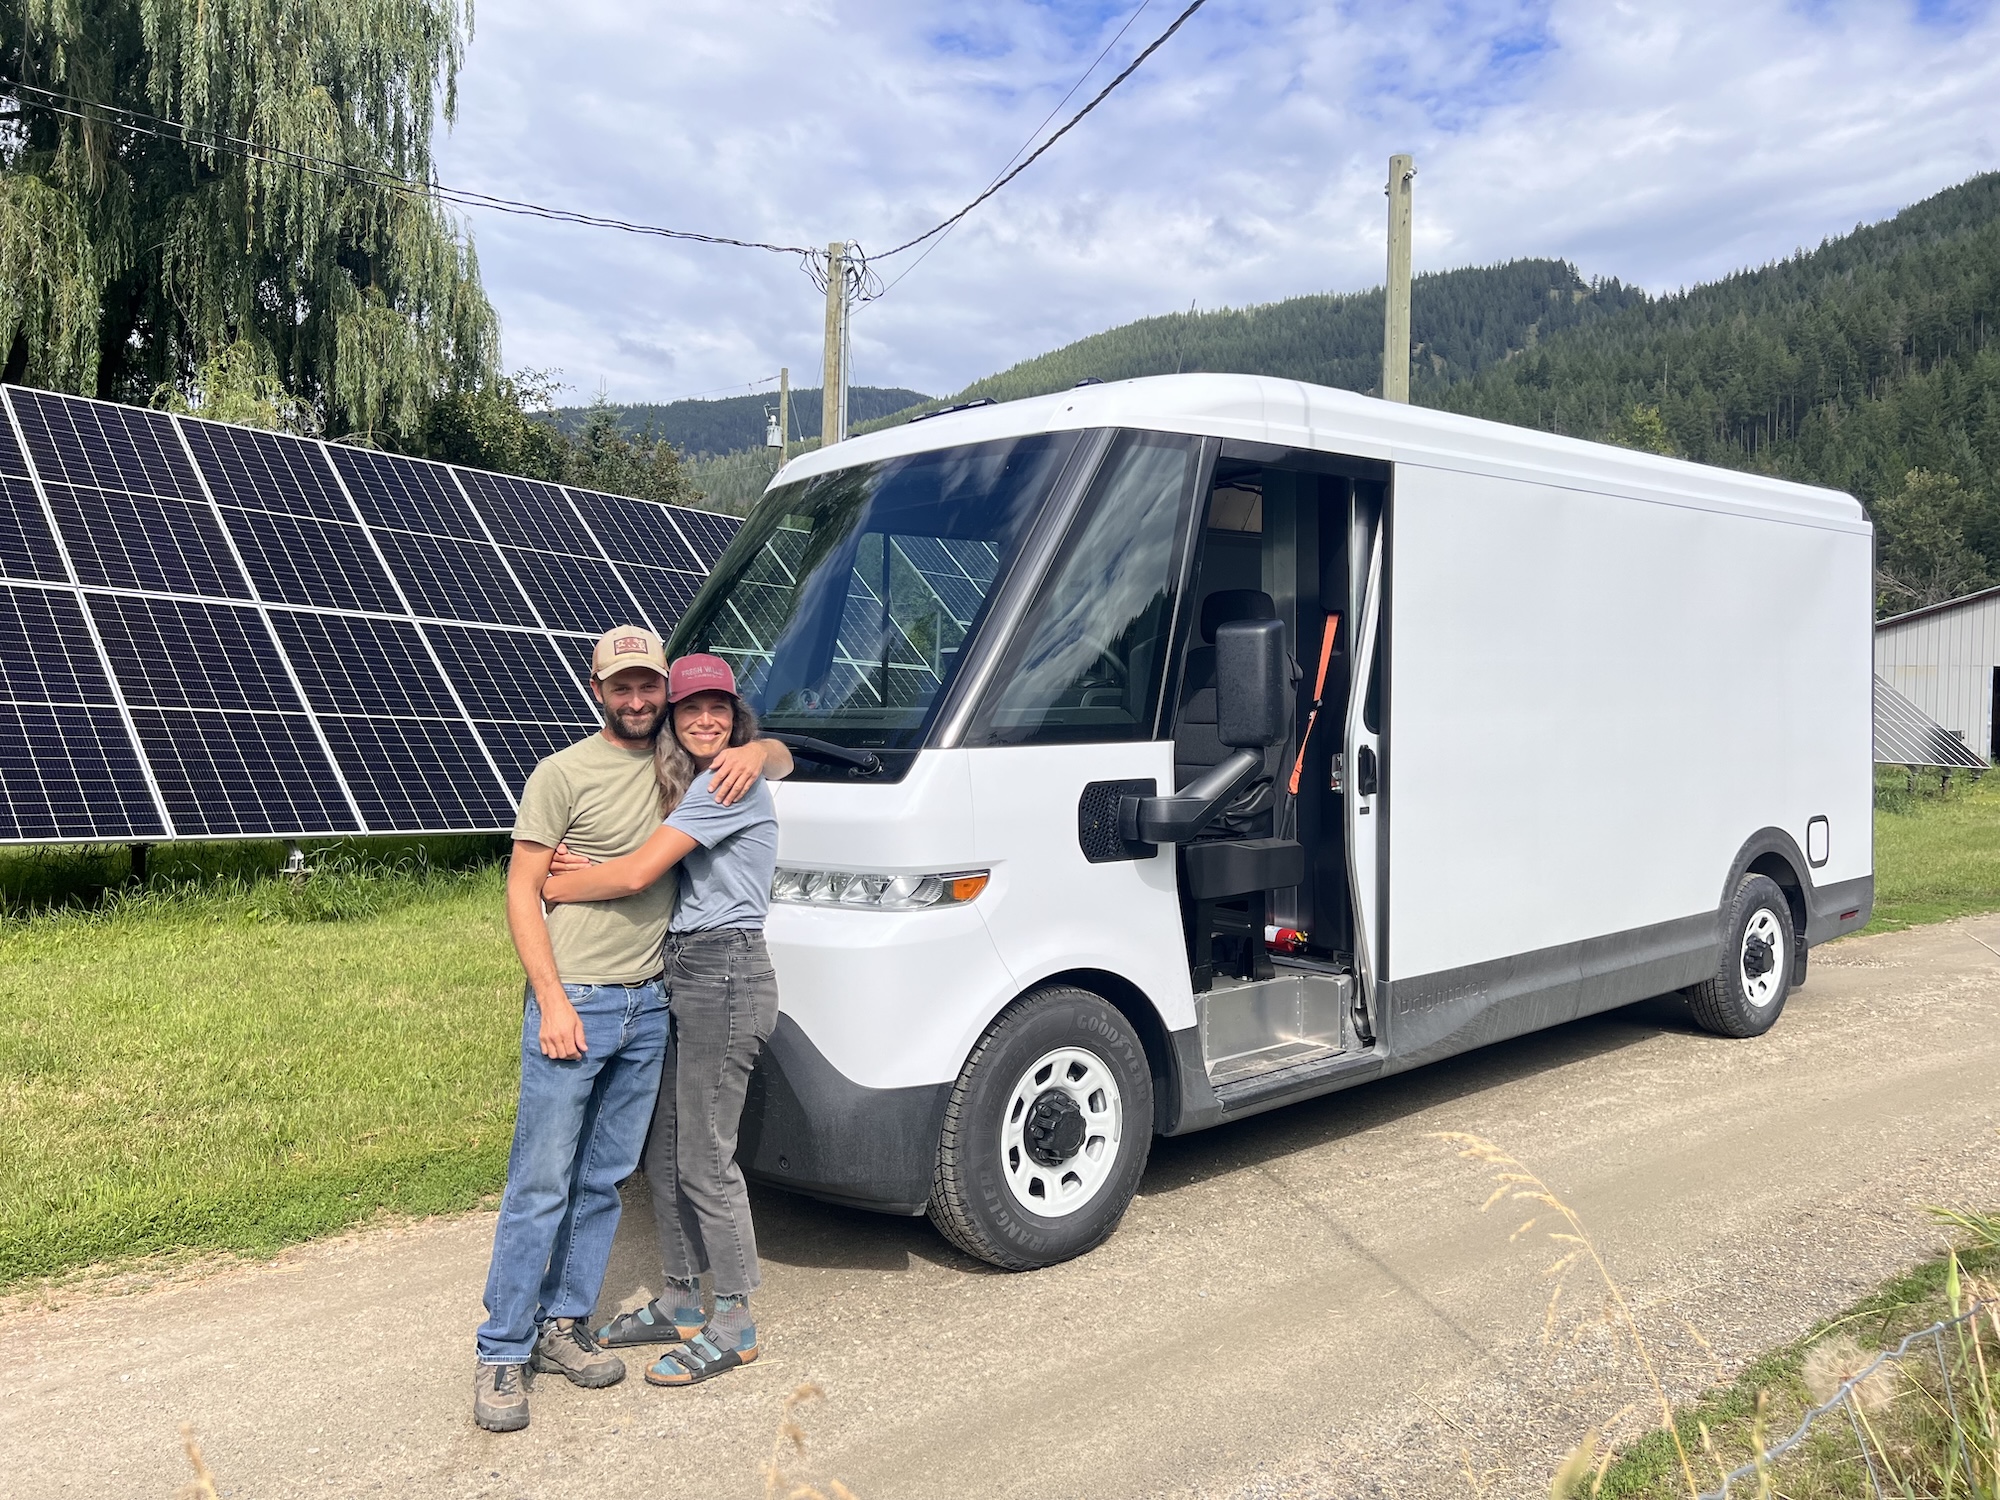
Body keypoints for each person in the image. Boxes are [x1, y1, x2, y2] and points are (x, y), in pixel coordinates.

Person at [473, 627, 791, 1434]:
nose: (642, 700)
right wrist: (549, 997)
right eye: (626, 687)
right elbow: (519, 889)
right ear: (598, 689)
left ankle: (570, 1325)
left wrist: (769, 750)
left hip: (660, 997)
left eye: (655, 687)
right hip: (581, 999)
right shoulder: (565, 773)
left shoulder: (696, 774)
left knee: (613, 1177)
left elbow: (655, 862)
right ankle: (503, 1350)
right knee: (544, 1182)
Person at [540, 652, 781, 1389]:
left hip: (726, 972)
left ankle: (735, 1320)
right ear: (673, 720)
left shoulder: (727, 782)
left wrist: (556, 880)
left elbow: (641, 872)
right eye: (690, 710)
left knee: (706, 1156)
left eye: (720, 710)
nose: (705, 720)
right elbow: (782, 758)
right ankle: (680, 1299)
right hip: (683, 968)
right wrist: (769, 750)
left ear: (735, 716)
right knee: (667, 1149)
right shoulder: (701, 779)